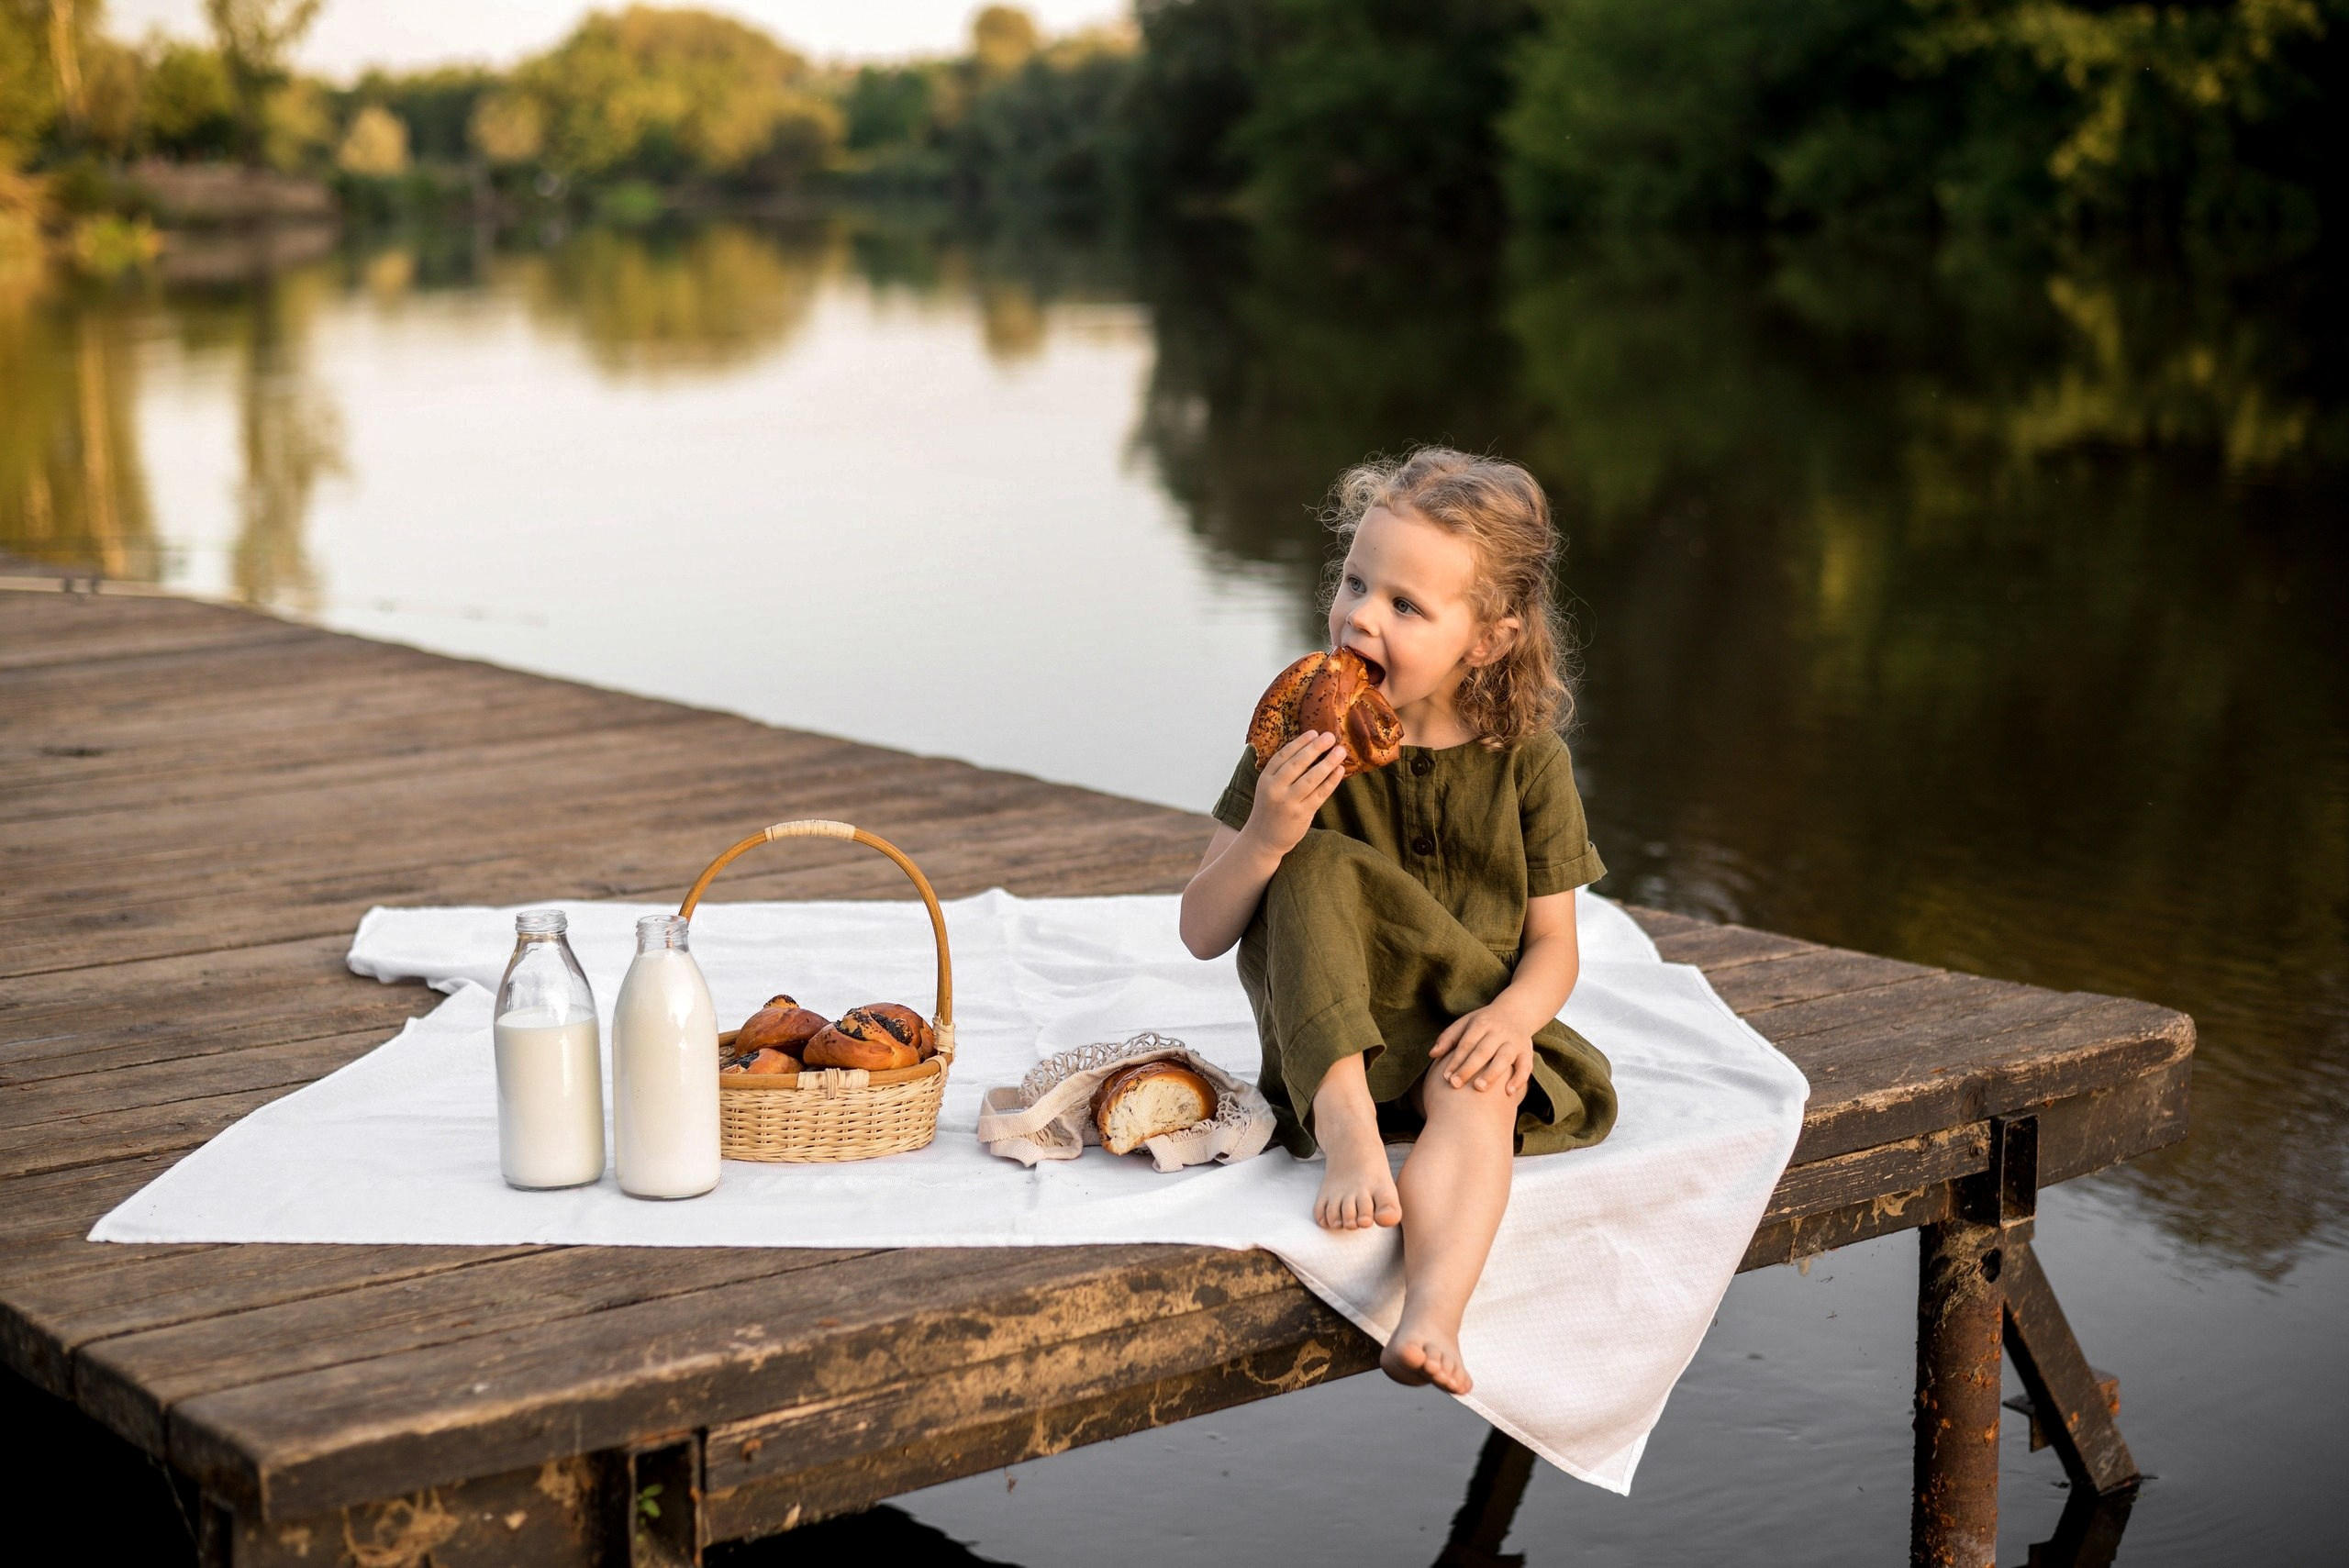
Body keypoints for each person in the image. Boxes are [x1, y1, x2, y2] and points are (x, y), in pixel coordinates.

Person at [1178, 448, 1617, 1396]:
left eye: (1405, 606)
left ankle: (1432, 1314)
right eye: (1354, 581)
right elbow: (1202, 929)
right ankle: (1346, 1128)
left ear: (1489, 639)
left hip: (1462, 1018)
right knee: (1316, 860)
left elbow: (1552, 945)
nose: (1360, 615)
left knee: (1480, 1095)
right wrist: (1266, 832)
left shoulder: (1525, 760)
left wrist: (1511, 1020)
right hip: (1332, 1033)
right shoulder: (1300, 732)